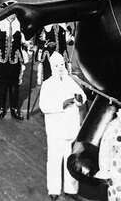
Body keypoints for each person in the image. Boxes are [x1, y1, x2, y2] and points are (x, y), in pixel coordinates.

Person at [39, 52, 86, 201]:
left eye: (61, 64)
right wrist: (62, 104)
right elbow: (44, 106)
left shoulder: (70, 80)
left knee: (71, 159)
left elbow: (82, 96)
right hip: (55, 130)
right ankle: (54, 189)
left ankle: (71, 189)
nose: (60, 68)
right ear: (52, 67)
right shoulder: (47, 84)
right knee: (54, 159)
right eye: (57, 65)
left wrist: (80, 99)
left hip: (71, 128)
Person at [0, 12, 28, 120]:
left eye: (14, 13)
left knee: (14, 85)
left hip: (15, 60)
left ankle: (14, 109)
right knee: (2, 84)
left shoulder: (21, 25)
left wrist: (30, 46)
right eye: (10, 13)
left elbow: (26, 40)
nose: (12, 16)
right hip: (2, 59)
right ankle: (1, 109)